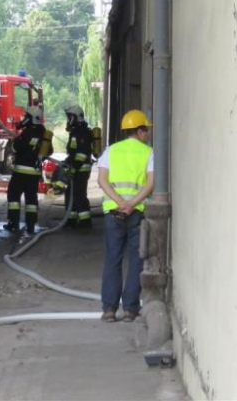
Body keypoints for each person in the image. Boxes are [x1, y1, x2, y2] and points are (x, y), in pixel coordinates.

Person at [96, 109, 155, 323]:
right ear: (139, 131)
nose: (147, 134)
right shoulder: (148, 153)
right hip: (136, 212)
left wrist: (120, 202)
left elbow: (102, 181)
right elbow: (151, 184)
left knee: (113, 258)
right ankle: (130, 309)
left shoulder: (111, 151)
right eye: (146, 131)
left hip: (114, 212)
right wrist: (132, 203)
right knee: (136, 259)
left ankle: (109, 310)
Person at [4, 105, 49, 234]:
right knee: (31, 199)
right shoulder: (44, 132)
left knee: (13, 196)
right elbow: (48, 151)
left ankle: (13, 223)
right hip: (34, 172)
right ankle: (31, 225)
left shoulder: (27, 132)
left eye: (26, 116)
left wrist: (16, 139)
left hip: (21, 172)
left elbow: (16, 147)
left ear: (31, 118)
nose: (24, 118)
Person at [63, 105, 94, 229]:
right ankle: (71, 220)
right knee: (71, 193)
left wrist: (74, 168)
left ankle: (85, 222)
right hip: (76, 168)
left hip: (81, 169)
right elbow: (73, 152)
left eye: (70, 117)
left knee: (79, 195)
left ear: (76, 117)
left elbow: (81, 154)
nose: (68, 119)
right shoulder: (76, 131)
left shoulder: (83, 133)